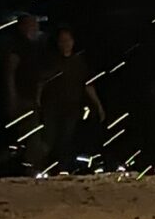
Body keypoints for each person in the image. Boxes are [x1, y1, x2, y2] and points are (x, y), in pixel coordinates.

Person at [37, 25, 106, 172]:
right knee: (49, 138)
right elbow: (42, 82)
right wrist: (38, 101)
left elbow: (88, 85)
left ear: (73, 42)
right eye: (62, 41)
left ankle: (60, 168)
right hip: (52, 107)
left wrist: (98, 106)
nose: (65, 43)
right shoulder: (52, 61)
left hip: (71, 108)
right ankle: (41, 167)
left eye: (67, 40)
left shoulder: (78, 62)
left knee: (65, 139)